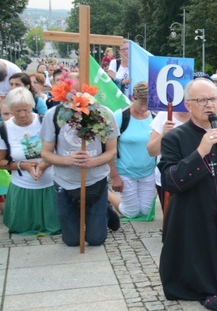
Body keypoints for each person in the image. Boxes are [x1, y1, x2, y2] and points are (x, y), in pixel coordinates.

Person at [158, 78, 217, 311]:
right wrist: (201, 151)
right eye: (202, 100)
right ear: (188, 105)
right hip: (192, 217)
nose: (209, 105)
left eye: (213, 99)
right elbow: (170, 181)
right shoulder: (174, 138)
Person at [41, 80, 119, 247]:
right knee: (72, 241)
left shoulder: (105, 114)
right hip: (65, 180)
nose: (75, 95)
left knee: (96, 239)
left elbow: (112, 151)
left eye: (80, 91)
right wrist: (67, 160)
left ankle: (104, 211)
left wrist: (93, 162)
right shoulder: (53, 115)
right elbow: (45, 153)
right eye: (71, 91)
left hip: (95, 179)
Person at [0, 88, 60, 236]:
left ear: (32, 106)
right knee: (21, 229)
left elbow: (59, 150)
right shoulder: (5, 129)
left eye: (25, 110)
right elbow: (1, 161)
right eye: (16, 111)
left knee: (58, 226)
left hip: (51, 183)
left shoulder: (44, 121)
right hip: (23, 187)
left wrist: (45, 164)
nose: (22, 115)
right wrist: (22, 165)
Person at [108, 82, 156, 219]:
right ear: (133, 97)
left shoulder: (154, 115)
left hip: (148, 171)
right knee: (131, 212)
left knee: (146, 212)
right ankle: (107, 194)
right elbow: (109, 148)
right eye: (141, 103)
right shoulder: (120, 116)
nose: (144, 108)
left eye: (148, 104)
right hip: (125, 171)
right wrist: (114, 176)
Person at [147, 107, 191, 213]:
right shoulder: (165, 115)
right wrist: (163, 134)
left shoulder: (201, 116)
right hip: (169, 177)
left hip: (193, 176)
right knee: (171, 217)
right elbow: (152, 151)